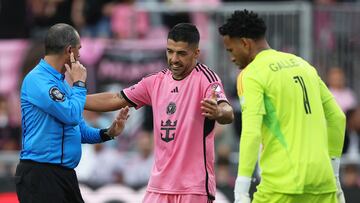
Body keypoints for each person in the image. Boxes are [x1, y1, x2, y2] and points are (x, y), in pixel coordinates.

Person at [85, 23, 234, 202]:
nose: (174, 59)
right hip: (158, 187)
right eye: (170, 51)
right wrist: (74, 100)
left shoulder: (207, 79)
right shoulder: (155, 81)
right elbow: (115, 98)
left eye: (181, 53)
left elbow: (227, 111)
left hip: (193, 188)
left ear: (196, 53)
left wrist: (219, 111)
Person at [218, 10, 346, 203]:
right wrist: (334, 177)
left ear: (245, 43)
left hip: (282, 188)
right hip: (324, 185)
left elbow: (251, 132)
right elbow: (338, 118)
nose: (231, 57)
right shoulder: (304, 65)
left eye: (230, 50)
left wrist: (241, 191)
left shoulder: (251, 74)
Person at [14, 23, 129, 203]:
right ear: (69, 50)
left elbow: (79, 129)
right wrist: (79, 84)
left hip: (63, 175)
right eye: (79, 49)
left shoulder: (61, 85)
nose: (80, 55)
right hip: (41, 174)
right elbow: (72, 115)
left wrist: (108, 133)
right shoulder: (38, 80)